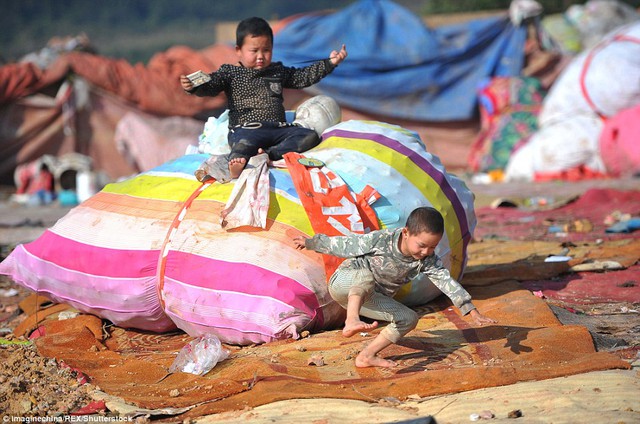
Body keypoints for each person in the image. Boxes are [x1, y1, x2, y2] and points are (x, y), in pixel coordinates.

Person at [293, 206, 496, 368]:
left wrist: (471, 309)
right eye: (422, 245)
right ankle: (352, 320)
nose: (426, 251)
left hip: (369, 299)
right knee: (365, 276)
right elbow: (347, 244)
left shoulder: (426, 259)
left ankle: (367, 356)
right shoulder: (382, 240)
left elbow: (445, 280)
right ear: (406, 233)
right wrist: (312, 243)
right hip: (344, 283)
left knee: (408, 318)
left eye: (432, 247)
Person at [180, 17, 347, 179]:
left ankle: (268, 155)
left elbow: (302, 77)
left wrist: (330, 63)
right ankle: (237, 161)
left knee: (309, 136)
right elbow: (211, 85)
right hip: (246, 129)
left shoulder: (277, 71)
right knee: (243, 143)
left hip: (278, 129)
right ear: (238, 50)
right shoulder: (229, 73)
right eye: (254, 51)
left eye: (266, 50)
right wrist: (193, 87)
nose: (260, 56)